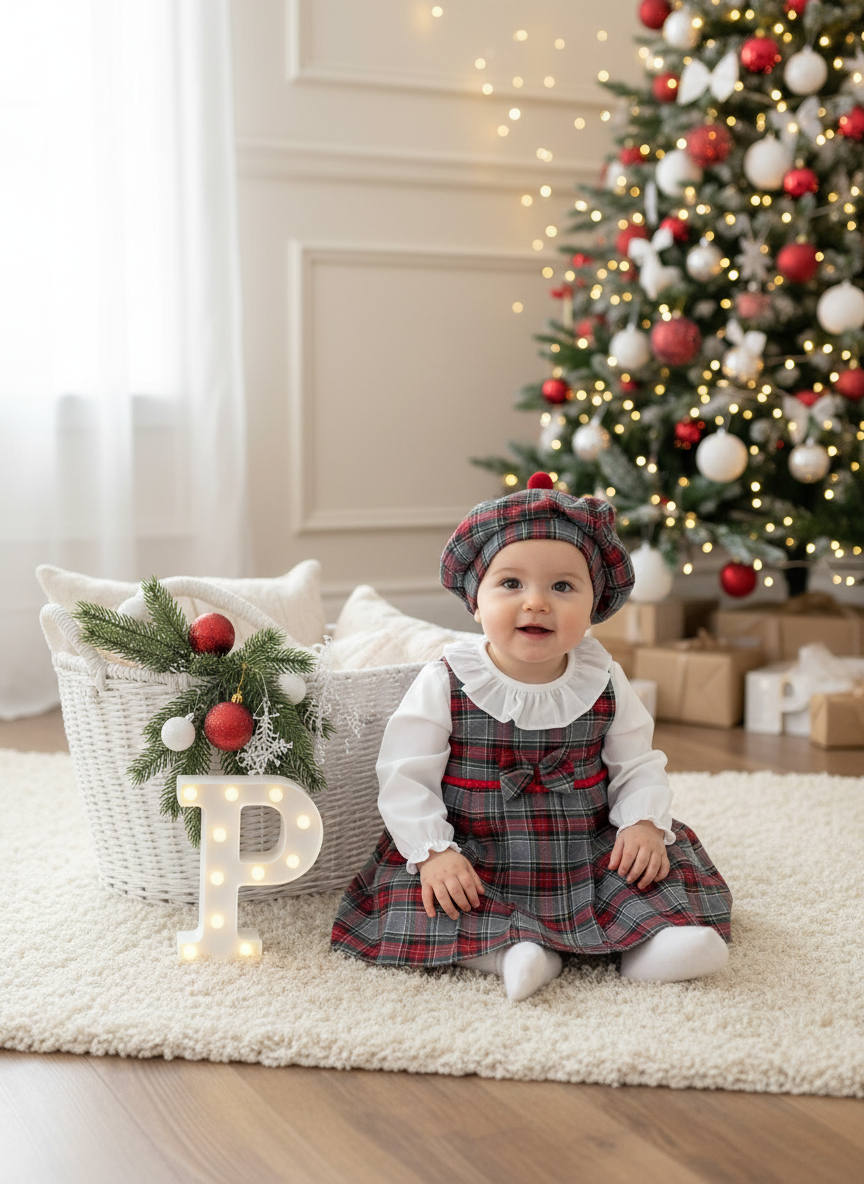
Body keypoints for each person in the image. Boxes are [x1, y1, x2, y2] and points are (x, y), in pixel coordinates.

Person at [331, 473, 732, 1001]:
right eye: (511, 584)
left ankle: (649, 947)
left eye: (563, 587)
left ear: (594, 606)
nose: (537, 603)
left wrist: (641, 821)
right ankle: (510, 954)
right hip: (476, 854)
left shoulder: (602, 677)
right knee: (431, 899)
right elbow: (405, 774)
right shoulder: (448, 678)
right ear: (476, 601)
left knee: (649, 866)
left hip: (583, 849)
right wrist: (433, 852)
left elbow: (637, 762)